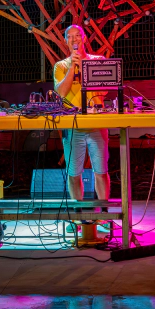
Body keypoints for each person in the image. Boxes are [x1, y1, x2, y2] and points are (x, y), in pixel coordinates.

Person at [53, 25, 110, 203]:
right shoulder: (61, 66)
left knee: (101, 172)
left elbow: (105, 89)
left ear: (84, 38)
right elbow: (61, 93)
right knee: (73, 174)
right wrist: (73, 67)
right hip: (72, 127)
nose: (74, 39)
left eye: (77, 35)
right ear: (65, 41)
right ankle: (77, 212)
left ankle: (104, 212)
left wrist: (85, 68)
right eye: (70, 36)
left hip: (96, 125)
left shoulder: (98, 60)